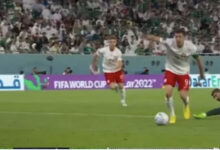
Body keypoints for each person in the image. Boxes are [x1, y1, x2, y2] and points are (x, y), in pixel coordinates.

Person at [144, 28, 204, 124]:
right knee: (167, 93)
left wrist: (201, 74)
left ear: (184, 37)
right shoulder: (169, 42)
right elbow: (157, 38)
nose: (178, 39)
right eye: (176, 36)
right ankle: (172, 114)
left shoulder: (191, 47)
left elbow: (198, 60)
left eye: (180, 36)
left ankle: (186, 105)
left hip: (184, 72)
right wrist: (148, 37)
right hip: (170, 70)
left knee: (183, 96)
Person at [91, 35, 127, 107]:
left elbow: (120, 63)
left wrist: (118, 67)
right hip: (107, 70)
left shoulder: (118, 52)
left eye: (114, 42)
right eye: (111, 42)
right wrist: (93, 63)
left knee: (122, 86)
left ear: (116, 43)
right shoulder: (104, 50)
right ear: (108, 43)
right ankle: (116, 88)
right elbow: (96, 54)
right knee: (112, 87)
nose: (112, 43)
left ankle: (123, 100)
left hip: (117, 70)